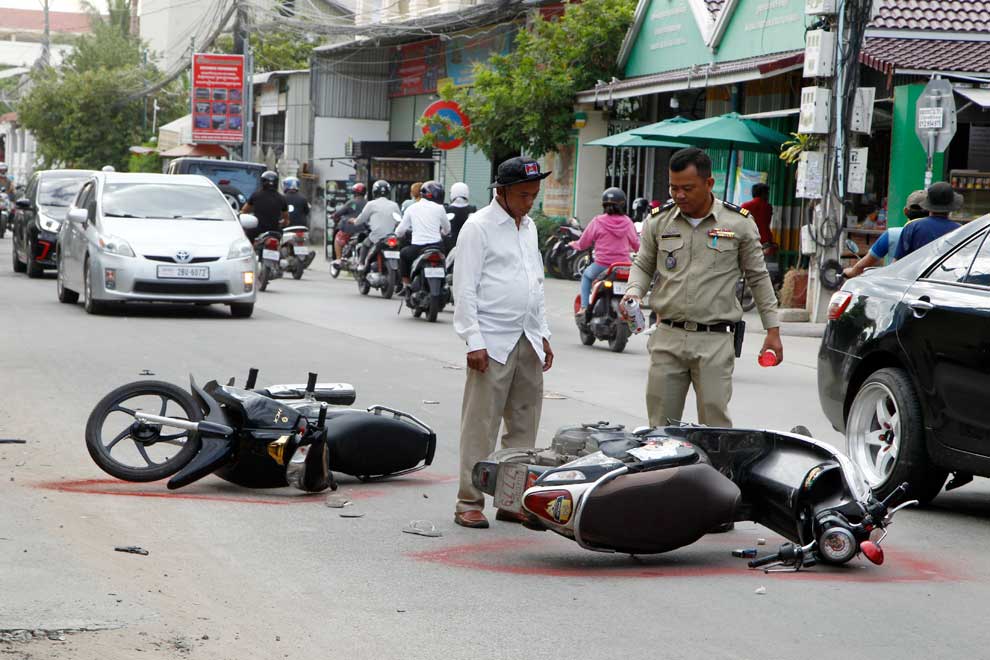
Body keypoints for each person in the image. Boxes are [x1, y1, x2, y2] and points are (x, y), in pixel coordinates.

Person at [621, 147, 782, 429]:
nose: (679, 195)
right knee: (660, 427)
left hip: (715, 340)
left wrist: (773, 330)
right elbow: (644, 264)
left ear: (709, 184)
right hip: (667, 337)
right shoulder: (659, 221)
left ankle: (715, 473)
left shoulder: (739, 224)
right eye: (673, 188)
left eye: (687, 188)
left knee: (716, 426)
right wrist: (633, 291)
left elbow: (758, 277)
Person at [452, 156, 554, 529]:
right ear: (502, 191)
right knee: (481, 424)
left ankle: (511, 501)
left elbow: (536, 282)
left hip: (527, 336)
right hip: (492, 341)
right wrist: (472, 339)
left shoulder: (528, 228)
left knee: (524, 426)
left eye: (534, 195)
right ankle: (469, 501)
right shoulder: (477, 227)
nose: (530, 203)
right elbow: (464, 287)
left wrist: (543, 333)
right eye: (524, 195)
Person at [572, 187, 640, 314]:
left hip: (602, 265)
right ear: (623, 204)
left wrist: (574, 244)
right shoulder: (628, 222)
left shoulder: (597, 221)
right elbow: (636, 244)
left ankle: (584, 307)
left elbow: (584, 242)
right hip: (623, 266)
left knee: (586, 276)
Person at [843, 190, 927, 278]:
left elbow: (863, 265)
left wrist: (850, 272)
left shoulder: (892, 234)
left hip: (894, 285)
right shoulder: (940, 237)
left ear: (905, 211)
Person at [395, 180, 450, 293]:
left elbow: (399, 231)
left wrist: (400, 235)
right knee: (445, 261)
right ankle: (445, 283)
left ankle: (406, 284)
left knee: (403, 254)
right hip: (437, 246)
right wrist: (441, 233)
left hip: (417, 248)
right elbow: (447, 229)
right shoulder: (440, 208)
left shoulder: (412, 208)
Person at [893, 181, 963, 260]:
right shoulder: (960, 230)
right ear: (952, 205)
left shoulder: (912, 227)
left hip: (915, 272)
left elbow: (897, 262)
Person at [351, 179, 400, 267]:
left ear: (374, 192)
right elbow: (399, 220)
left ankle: (361, 264)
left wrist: (354, 221)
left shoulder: (371, 204)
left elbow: (361, 218)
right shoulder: (394, 205)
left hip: (376, 237)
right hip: (391, 237)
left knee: (365, 244)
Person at [240, 170, 289, 241]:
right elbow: (286, 219)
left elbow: (244, 211)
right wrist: (282, 224)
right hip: (275, 231)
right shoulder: (281, 198)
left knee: (248, 243)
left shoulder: (255, 195)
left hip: (257, 231)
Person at [332, 183, 367, 260]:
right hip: (364, 231)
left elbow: (338, 213)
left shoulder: (351, 203)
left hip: (350, 230)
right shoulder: (368, 203)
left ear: (354, 192)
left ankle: (338, 259)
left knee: (338, 238)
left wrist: (334, 216)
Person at [445, 181, 476, 247]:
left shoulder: (447, 210)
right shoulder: (472, 210)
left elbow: (443, 231)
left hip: (451, 246)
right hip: (468, 245)